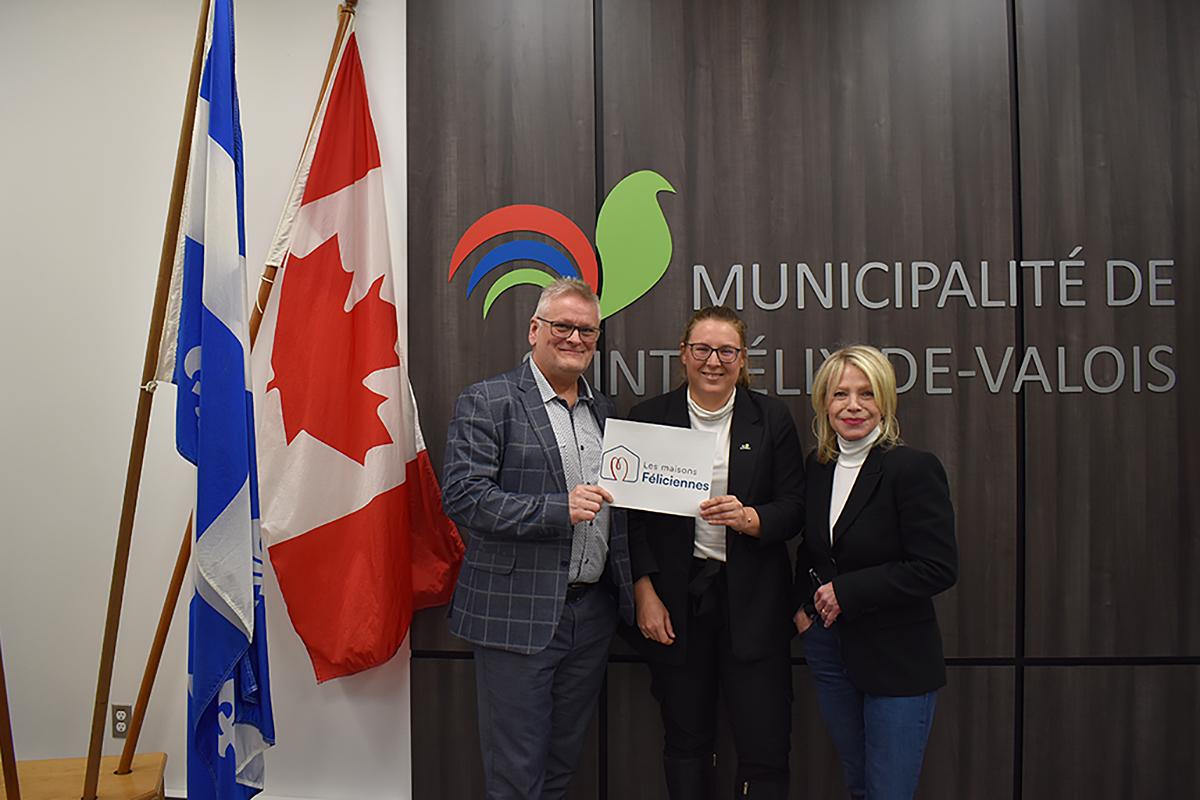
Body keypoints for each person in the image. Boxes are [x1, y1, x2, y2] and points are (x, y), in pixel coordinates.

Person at [441, 278, 635, 800]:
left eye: (586, 331)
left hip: (592, 615)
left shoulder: (608, 413)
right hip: (515, 613)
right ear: (535, 330)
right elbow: (463, 496)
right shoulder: (489, 400)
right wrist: (557, 509)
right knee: (514, 772)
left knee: (561, 764)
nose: (575, 338)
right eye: (562, 326)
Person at [628, 305, 804, 799]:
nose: (713, 361)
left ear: (742, 359)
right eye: (702, 349)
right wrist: (643, 590)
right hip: (676, 603)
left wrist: (752, 518)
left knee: (764, 741)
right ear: (682, 355)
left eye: (727, 351)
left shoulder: (770, 418)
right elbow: (629, 520)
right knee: (685, 736)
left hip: (755, 603)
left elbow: (795, 506)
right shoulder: (649, 419)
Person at [793, 345, 957, 800]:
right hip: (830, 649)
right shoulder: (819, 466)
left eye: (866, 394)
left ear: (885, 400)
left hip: (897, 658)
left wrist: (847, 591)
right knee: (858, 784)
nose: (852, 406)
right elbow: (812, 548)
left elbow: (937, 567)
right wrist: (802, 610)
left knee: (888, 793)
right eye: (840, 394)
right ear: (823, 403)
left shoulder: (913, 468)